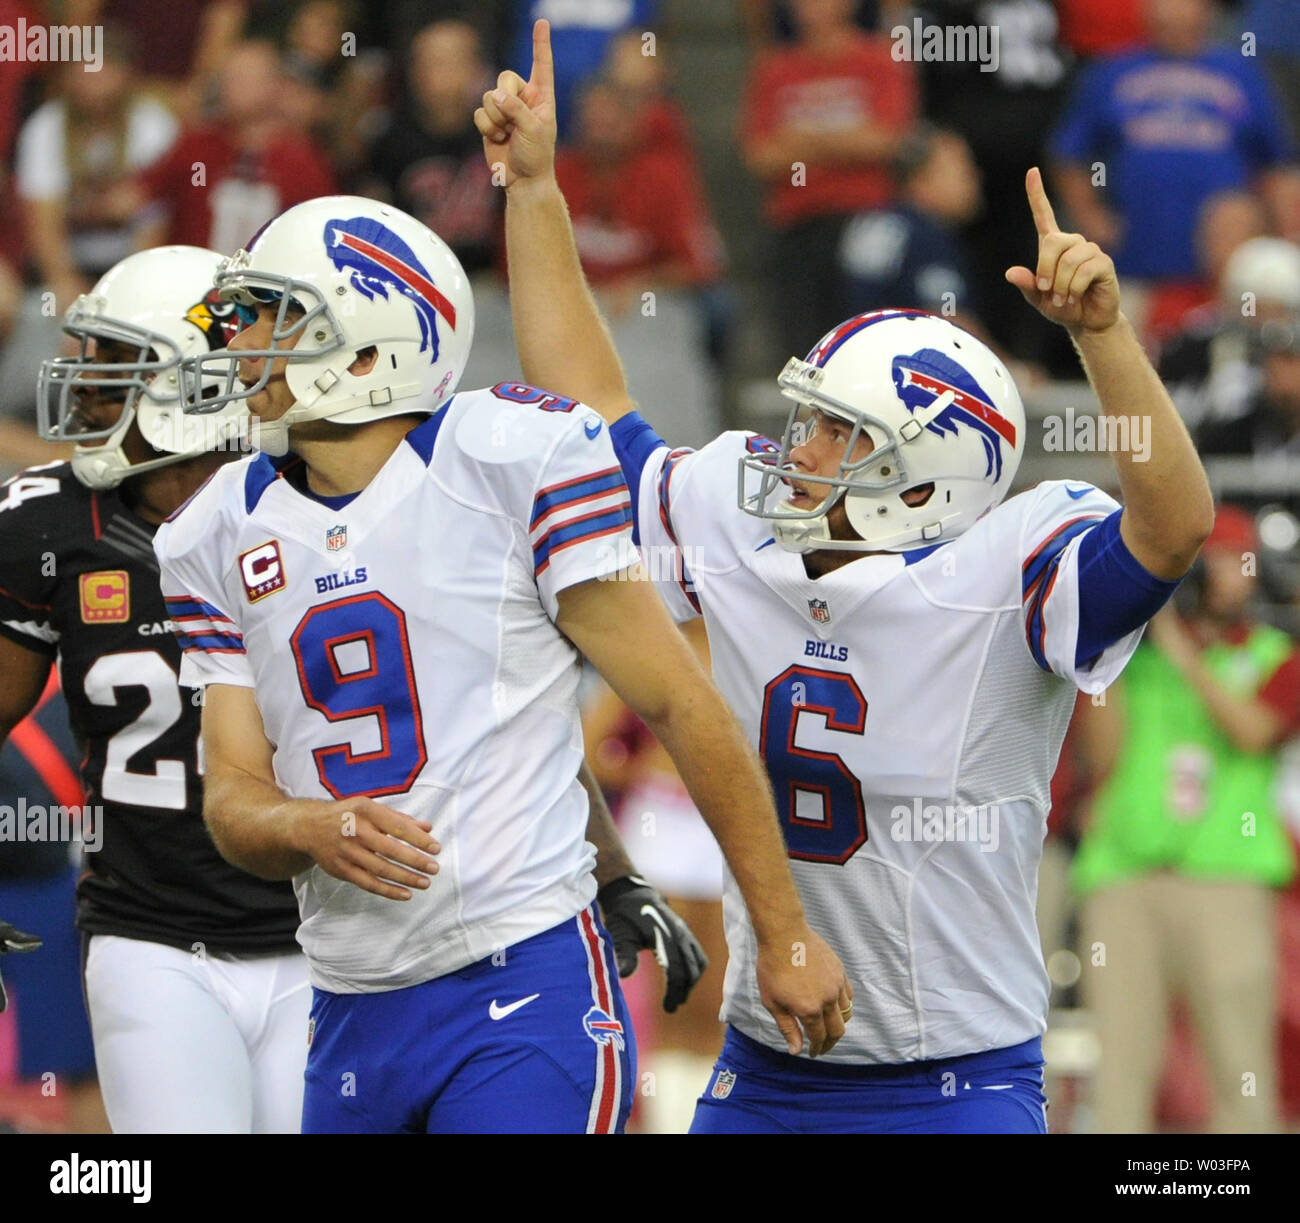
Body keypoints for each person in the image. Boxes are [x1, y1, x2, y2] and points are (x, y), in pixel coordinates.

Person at [476, 19, 1215, 1133]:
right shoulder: (738, 511)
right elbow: (592, 418)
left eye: (835, 432)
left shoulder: (1005, 565)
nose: (794, 446)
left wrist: (1103, 337)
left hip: (954, 1074)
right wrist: (532, 188)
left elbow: (1172, 527)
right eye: (809, 417)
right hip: (768, 1062)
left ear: (923, 484)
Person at [154, 194, 849, 1135]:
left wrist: (782, 929)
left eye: (276, 314)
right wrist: (302, 823)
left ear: (369, 349)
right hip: (349, 998)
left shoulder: (506, 458)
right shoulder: (213, 528)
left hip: (524, 980)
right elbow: (233, 797)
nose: (239, 341)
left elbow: (683, 703)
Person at [0, 245, 309, 1133]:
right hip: (151, 931)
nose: (86, 386)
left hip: (329, 931)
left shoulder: (319, 504)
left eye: (115, 365)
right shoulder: (47, 524)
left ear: (201, 384)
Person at [1072, 504, 1299, 1133]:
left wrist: (1179, 648)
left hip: (1226, 880)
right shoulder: (1130, 660)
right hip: (1123, 878)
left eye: (1243, 561)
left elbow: (1253, 733)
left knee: (1240, 1066)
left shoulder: (1274, 654)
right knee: (1120, 1067)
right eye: (1222, 563)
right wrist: (1115, 639)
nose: (1239, 577)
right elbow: (1102, 756)